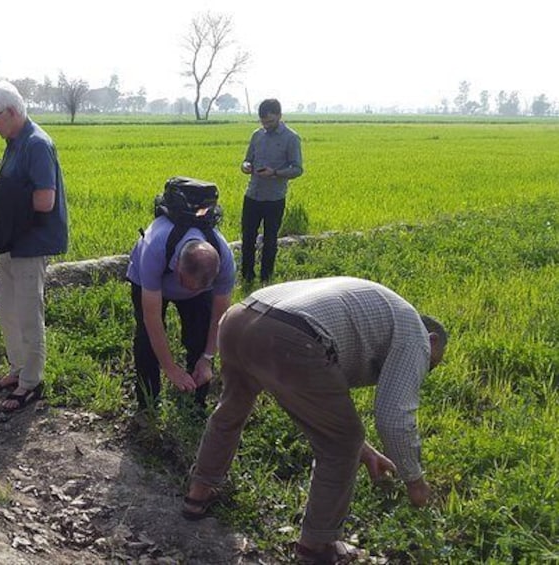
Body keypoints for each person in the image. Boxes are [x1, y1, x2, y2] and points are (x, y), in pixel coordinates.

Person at [182, 276, 447, 563]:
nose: (426, 369)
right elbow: (394, 418)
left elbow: (314, 403)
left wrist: (364, 450)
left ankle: (198, 494)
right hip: (289, 335)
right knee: (341, 444)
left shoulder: (379, 319)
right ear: (431, 340)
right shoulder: (416, 336)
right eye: (431, 363)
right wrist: (415, 483)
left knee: (231, 409)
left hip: (241, 318)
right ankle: (316, 546)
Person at [0, 81, 68, 412]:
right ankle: (17, 369)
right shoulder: (14, 141)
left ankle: (31, 382)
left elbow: (44, 201)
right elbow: (11, 187)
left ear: (11, 112)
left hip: (31, 243)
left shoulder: (37, 144)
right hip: (10, 240)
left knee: (27, 314)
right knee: (8, 311)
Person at [126, 216, 236, 415]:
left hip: (194, 283)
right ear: (177, 266)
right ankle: (148, 404)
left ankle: (197, 402)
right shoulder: (154, 250)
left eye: (197, 288)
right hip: (148, 281)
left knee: (200, 335)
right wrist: (170, 368)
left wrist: (208, 357)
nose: (188, 290)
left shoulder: (225, 260)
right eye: (185, 284)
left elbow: (219, 317)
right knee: (146, 341)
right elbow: (152, 319)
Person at [239, 98, 303, 284]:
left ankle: (266, 277)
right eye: (263, 122)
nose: (266, 125)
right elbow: (246, 160)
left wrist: (275, 173)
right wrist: (246, 166)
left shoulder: (291, 138)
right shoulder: (257, 135)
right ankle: (247, 276)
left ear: (279, 116)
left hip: (274, 198)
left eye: (270, 121)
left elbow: (297, 169)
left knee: (270, 240)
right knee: (248, 237)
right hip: (253, 195)